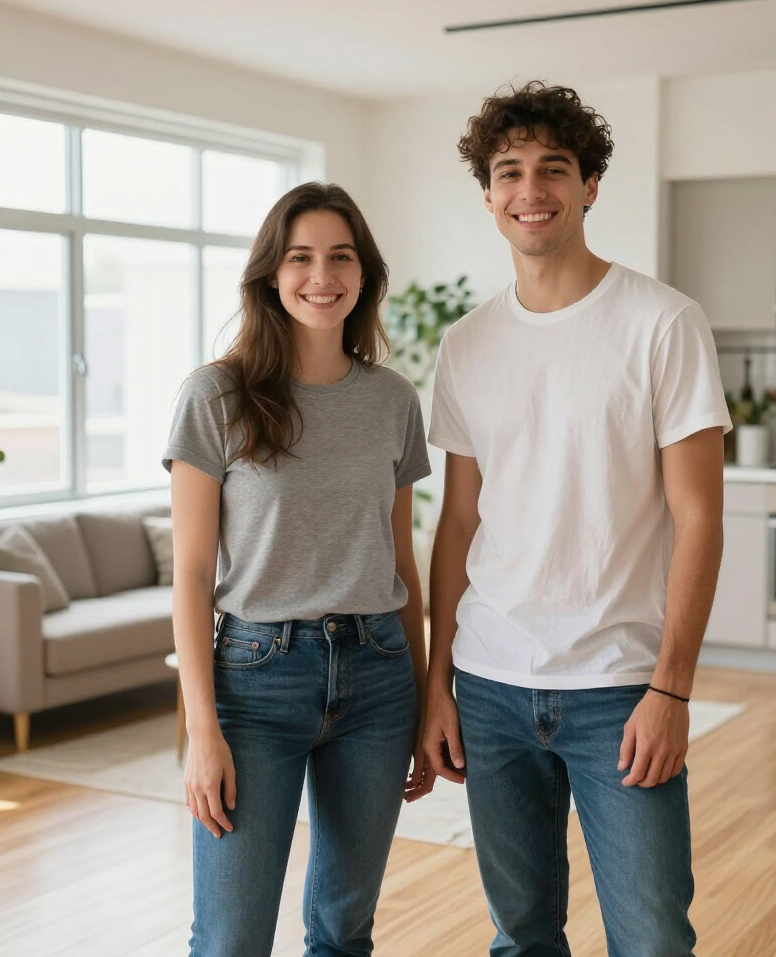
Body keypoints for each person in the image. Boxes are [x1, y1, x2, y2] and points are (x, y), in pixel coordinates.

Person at [423, 82, 730, 957]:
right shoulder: (466, 343)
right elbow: (458, 525)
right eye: (508, 172)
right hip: (488, 683)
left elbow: (700, 517)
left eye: (553, 168)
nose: (530, 190)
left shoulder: (663, 323)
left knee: (652, 937)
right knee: (519, 936)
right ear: (487, 195)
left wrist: (671, 689)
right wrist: (439, 679)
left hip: (621, 687)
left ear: (590, 185)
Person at [164, 182, 433, 957]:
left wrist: (421, 698)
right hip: (255, 677)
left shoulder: (392, 400)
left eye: (341, 257)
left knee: (345, 931)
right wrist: (201, 729)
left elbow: (400, 560)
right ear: (271, 277)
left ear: (364, 274)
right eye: (301, 257)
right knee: (231, 937)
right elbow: (189, 572)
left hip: (379, 675)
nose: (323, 276)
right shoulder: (216, 396)